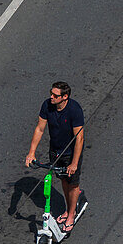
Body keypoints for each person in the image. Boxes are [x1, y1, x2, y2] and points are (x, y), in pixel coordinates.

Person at [25, 82, 84, 234]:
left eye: (55, 95)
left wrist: (74, 163)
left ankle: (71, 214)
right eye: (51, 93)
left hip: (71, 153)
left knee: (73, 183)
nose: (51, 97)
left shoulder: (74, 110)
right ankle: (68, 208)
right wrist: (31, 153)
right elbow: (39, 129)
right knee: (63, 180)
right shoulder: (47, 105)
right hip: (55, 150)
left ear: (65, 97)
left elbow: (79, 138)